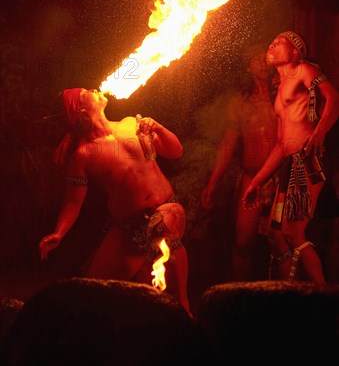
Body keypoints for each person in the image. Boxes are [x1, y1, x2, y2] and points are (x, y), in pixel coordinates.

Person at [39, 88, 191, 315]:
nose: (92, 89)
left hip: (166, 210)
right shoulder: (83, 155)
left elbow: (176, 151)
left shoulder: (132, 124)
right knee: (94, 289)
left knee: (177, 300)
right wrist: (59, 233)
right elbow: (72, 201)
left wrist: (157, 127)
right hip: (128, 225)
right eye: (84, 93)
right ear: (81, 109)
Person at [242, 31, 339, 283]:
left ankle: (323, 296)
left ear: (296, 52)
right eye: (270, 42)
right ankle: (286, 291)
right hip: (288, 164)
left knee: (293, 231)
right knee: (276, 234)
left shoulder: (304, 69)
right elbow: (279, 146)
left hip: (305, 162)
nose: (271, 45)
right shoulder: (281, 89)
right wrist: (257, 182)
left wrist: (319, 131)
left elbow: (333, 98)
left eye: (279, 42)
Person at [200, 43, 279, 280]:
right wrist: (212, 183)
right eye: (255, 59)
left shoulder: (283, 93)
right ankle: (238, 295)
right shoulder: (240, 102)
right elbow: (228, 144)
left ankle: (287, 299)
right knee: (243, 243)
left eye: (264, 57)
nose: (262, 62)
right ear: (247, 67)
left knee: (283, 242)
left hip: (281, 178)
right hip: (251, 177)